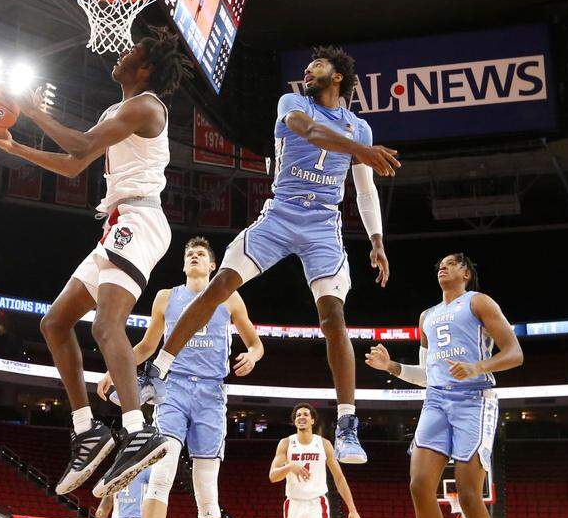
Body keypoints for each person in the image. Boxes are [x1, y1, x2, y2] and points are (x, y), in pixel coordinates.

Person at [139, 47, 401, 470]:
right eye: (307, 65)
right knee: (220, 286)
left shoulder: (360, 129)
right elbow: (310, 133)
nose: (308, 70)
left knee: (333, 317)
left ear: (338, 77)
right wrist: (361, 150)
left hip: (322, 224)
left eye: (317, 66)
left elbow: (365, 190)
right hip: (280, 213)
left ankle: (348, 423)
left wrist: (376, 240)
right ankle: (158, 370)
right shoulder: (292, 103)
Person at [0, 29, 191, 500]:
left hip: (140, 218)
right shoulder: (114, 112)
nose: (121, 54)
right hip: (117, 222)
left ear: (147, 67)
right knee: (55, 323)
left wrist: (34, 111)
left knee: (105, 327)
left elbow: (77, 148)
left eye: (131, 52)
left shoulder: (147, 106)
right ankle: (87, 430)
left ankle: (138, 431)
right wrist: (14, 148)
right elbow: (75, 166)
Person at [100, 236, 263, 518]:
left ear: (211, 267)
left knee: (208, 492)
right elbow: (146, 346)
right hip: (172, 388)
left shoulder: (230, 297)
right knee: (161, 472)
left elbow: (256, 344)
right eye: (190, 253)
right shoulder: (164, 297)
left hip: (211, 394)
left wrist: (252, 355)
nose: (194, 256)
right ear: (184, 264)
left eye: (202, 254)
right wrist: (116, 370)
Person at [365, 253, 523, 518]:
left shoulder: (479, 302)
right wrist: (393, 368)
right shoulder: (426, 317)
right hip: (435, 400)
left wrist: (478, 368)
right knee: (419, 485)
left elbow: (514, 353)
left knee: (470, 495)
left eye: (451, 263)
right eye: (439, 263)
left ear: (466, 273)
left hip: (475, 399)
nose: (442, 267)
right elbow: (427, 375)